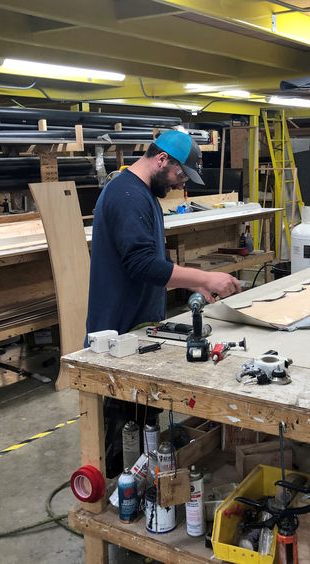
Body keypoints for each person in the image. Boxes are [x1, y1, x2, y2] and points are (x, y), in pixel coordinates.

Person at [86, 129, 242, 477]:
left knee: (144, 425)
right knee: (124, 435)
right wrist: (204, 278)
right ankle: (123, 497)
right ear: (162, 160)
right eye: (179, 174)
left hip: (140, 327)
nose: (179, 183)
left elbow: (154, 265)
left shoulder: (142, 194)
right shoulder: (128, 195)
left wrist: (193, 288)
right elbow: (142, 264)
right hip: (119, 331)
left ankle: (144, 481)